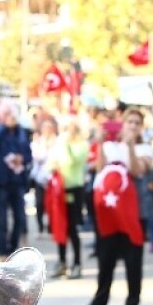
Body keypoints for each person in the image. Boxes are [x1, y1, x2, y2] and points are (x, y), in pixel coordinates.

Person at [82, 108, 153, 305]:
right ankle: (100, 301)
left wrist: (130, 147)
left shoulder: (144, 148)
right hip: (109, 212)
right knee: (106, 259)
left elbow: (136, 170)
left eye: (136, 122)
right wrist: (101, 144)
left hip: (134, 213)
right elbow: (100, 168)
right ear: (122, 124)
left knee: (133, 261)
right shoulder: (111, 146)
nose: (132, 125)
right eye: (129, 121)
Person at [0, 100, 31, 260]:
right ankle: (2, 250)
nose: (9, 117)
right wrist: (6, 127)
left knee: (19, 217)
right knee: (1, 218)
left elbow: (28, 153)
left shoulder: (21, 131)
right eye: (5, 114)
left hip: (17, 180)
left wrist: (22, 158)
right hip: (1, 180)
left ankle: (13, 247)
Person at [47, 116, 90, 279]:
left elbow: (71, 161)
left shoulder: (81, 146)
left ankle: (77, 263)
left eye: (71, 128)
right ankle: (62, 261)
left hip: (75, 189)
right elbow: (51, 162)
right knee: (60, 226)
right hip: (59, 190)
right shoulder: (60, 145)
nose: (67, 132)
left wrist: (64, 144)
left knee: (72, 228)